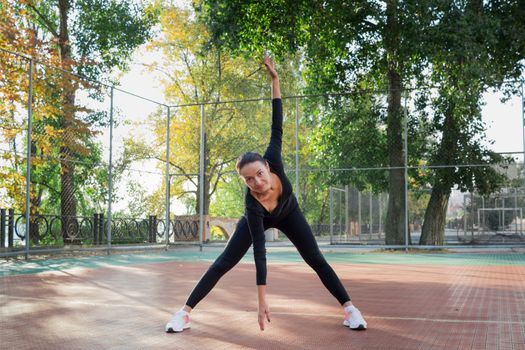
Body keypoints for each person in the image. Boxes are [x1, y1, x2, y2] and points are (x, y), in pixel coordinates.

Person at [165, 56, 367, 333]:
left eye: (259, 174)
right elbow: (260, 253)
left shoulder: (273, 157)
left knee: (316, 259)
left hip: (289, 213)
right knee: (223, 262)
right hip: (260, 219)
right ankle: (183, 313)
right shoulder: (252, 205)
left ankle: (351, 310)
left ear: (267, 167)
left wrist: (275, 80)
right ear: (244, 182)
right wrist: (262, 302)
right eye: (249, 179)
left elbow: (277, 122)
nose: (257, 181)